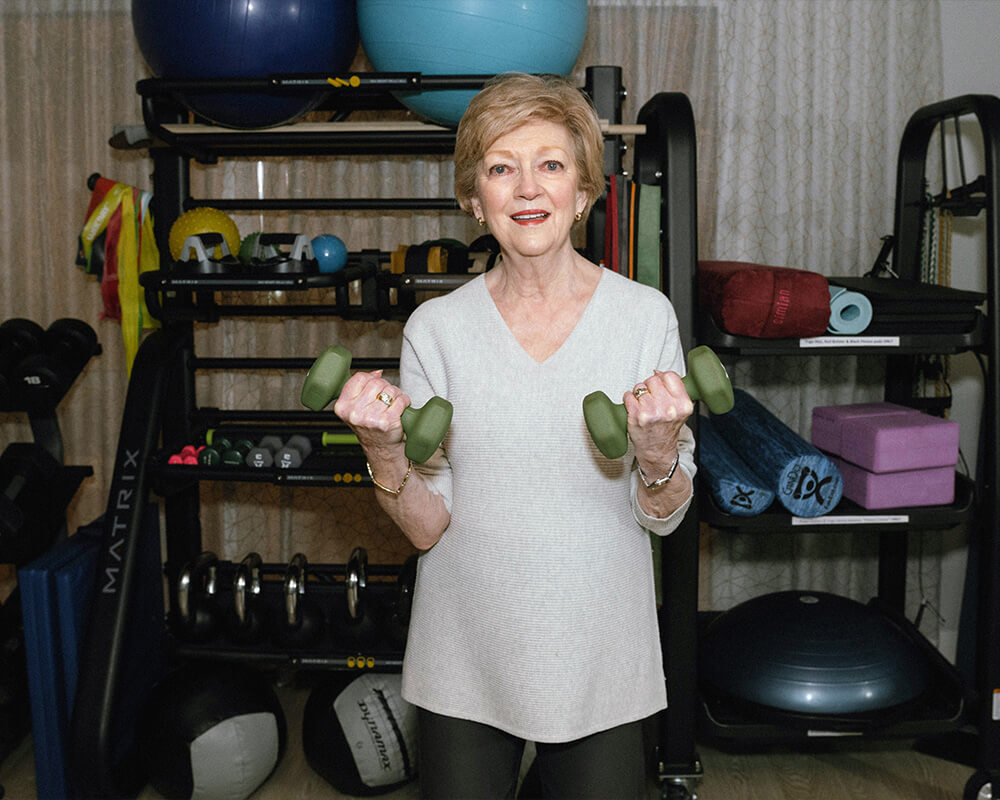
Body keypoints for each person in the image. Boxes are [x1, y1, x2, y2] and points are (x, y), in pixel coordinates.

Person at [333, 72, 696, 799]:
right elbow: (428, 526)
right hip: (467, 648)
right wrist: (383, 452)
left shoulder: (643, 317)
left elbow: (665, 515)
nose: (528, 188)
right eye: (502, 168)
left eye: (551, 166)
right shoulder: (436, 329)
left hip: (600, 652)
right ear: (476, 198)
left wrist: (657, 453)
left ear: (584, 193)